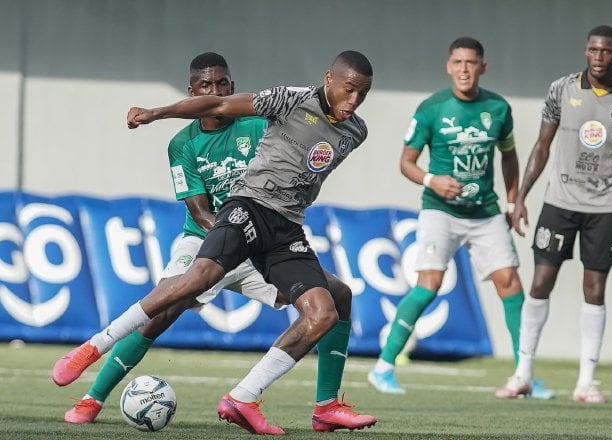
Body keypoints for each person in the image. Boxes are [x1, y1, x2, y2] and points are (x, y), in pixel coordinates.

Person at [52, 50, 376, 434]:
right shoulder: (186, 142)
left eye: (223, 83)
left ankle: (320, 405)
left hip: (278, 231)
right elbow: (200, 210)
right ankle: (92, 384)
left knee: (334, 299)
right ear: (193, 92)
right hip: (216, 230)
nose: (353, 101)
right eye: (207, 86)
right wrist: (156, 113)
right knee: (172, 300)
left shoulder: (323, 129)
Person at [367, 37, 552, 400]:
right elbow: (406, 162)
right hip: (441, 211)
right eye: (458, 63)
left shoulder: (498, 108)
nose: (464, 69)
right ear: (448, 66)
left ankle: (524, 376)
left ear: (483, 67)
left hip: (485, 212)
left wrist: (515, 201)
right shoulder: (432, 109)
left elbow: (509, 156)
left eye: (471, 63)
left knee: (511, 285)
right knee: (429, 284)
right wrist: (433, 180)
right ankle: (383, 366)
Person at [496, 25, 612, 403]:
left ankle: (586, 383)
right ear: (585, 52)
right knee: (541, 282)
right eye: (593, 50)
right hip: (558, 203)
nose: (599, 57)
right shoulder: (562, 89)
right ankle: (522, 374)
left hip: (603, 209)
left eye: (607, 51)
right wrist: (521, 196)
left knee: (595, 289)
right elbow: (542, 146)